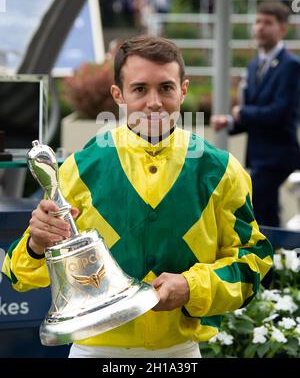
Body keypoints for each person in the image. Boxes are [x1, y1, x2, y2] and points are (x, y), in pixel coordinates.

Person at [2, 36, 273, 358]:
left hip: (178, 351)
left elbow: (253, 262)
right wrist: (35, 245)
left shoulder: (222, 170)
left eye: (166, 88)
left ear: (183, 90)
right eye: (140, 89)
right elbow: (19, 276)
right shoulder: (79, 168)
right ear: (118, 94)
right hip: (93, 349)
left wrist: (192, 287)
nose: (155, 102)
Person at [211, 1, 300, 228]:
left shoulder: (291, 66)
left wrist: (242, 112)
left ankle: (267, 261)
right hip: (259, 156)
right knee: (266, 213)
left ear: (282, 29)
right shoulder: (253, 66)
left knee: (255, 209)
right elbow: (253, 116)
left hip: (278, 156)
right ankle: (275, 261)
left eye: (267, 23)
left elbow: (280, 112)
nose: (260, 27)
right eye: (258, 21)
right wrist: (230, 121)